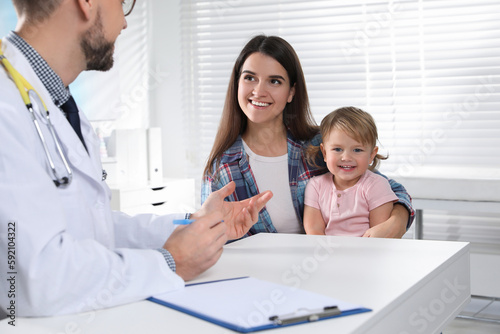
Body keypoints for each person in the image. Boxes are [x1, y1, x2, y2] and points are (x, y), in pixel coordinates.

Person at [0, 0, 272, 317]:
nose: (126, 23)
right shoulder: (7, 107)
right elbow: (32, 279)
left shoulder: (54, 101)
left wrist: (194, 224)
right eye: (122, 3)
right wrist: (170, 262)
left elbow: (92, 225)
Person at [202, 35, 414, 238]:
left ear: (291, 92)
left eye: (274, 81)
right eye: (250, 78)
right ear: (237, 83)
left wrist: (395, 224)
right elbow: (208, 241)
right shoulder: (222, 168)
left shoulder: (319, 145)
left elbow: (391, 190)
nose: (259, 91)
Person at [304, 107, 398, 236]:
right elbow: (314, 230)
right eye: (337, 149)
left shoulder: (377, 185)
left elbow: (379, 234)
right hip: (327, 253)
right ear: (324, 153)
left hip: (365, 252)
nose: (346, 158)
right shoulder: (315, 186)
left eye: (357, 150)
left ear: (371, 154)